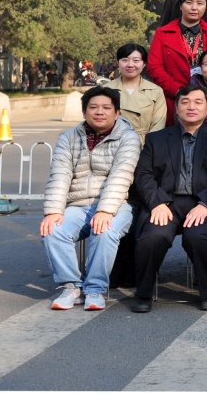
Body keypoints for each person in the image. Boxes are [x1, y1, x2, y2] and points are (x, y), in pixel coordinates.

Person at [129, 84, 207, 313]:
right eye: (185, 102)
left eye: (198, 102)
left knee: (198, 236)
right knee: (153, 236)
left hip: (206, 203)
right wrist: (157, 202)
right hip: (166, 202)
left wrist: (205, 204)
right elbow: (144, 174)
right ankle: (143, 293)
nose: (191, 107)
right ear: (176, 108)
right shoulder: (156, 139)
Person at [40, 87, 141, 311]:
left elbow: (121, 175)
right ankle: (71, 287)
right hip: (77, 204)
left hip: (119, 205)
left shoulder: (129, 137)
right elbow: (60, 175)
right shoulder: (68, 138)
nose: (99, 112)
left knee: (104, 231)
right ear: (84, 112)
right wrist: (53, 211)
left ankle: (95, 289)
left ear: (117, 112)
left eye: (106, 108)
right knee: (52, 230)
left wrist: (105, 210)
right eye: (93, 107)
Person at [146, 0, 207, 121]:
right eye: (189, 2)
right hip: (173, 98)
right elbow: (155, 68)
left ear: (205, 8)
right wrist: (178, 91)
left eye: (200, 3)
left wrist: (206, 92)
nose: (194, 7)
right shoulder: (162, 33)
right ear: (180, 6)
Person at [104, 43, 167, 140]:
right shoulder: (105, 90)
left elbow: (159, 124)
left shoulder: (155, 91)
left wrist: (149, 146)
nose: (130, 65)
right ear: (118, 62)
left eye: (136, 60)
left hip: (145, 143)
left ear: (144, 64)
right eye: (125, 60)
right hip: (113, 143)